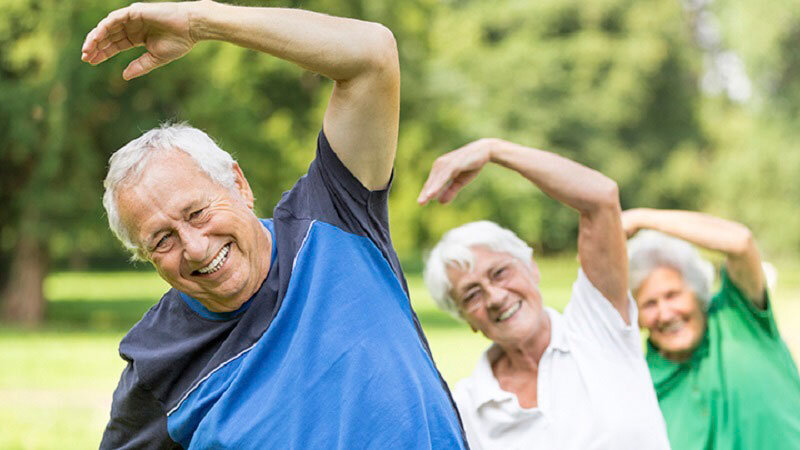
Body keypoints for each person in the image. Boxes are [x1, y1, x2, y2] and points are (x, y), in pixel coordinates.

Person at [82, 1, 467, 448]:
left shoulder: (333, 215)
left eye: (197, 213)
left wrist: (199, 21)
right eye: (162, 240)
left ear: (239, 184)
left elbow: (372, 54)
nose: (197, 248)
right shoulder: (157, 366)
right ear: (145, 257)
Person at [420, 138, 670, 449]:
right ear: (466, 319)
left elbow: (600, 198)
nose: (495, 297)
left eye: (500, 273)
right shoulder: (469, 408)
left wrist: (493, 150)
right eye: (472, 295)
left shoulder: (597, 325)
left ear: (532, 269)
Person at [624, 208, 800, 449]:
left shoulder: (739, 316)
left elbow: (740, 242)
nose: (665, 314)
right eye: (649, 304)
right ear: (637, 317)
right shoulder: (641, 384)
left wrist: (641, 219)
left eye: (672, 295)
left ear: (697, 292)